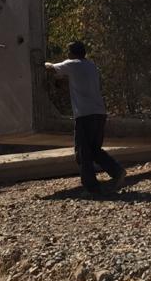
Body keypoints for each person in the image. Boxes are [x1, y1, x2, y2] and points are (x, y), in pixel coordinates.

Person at [45, 41, 126, 195]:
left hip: (85, 114)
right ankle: (117, 171)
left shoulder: (72, 64)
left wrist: (39, 62)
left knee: (83, 152)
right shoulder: (91, 66)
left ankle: (91, 188)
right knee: (94, 150)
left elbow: (50, 68)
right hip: (99, 113)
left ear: (71, 53)